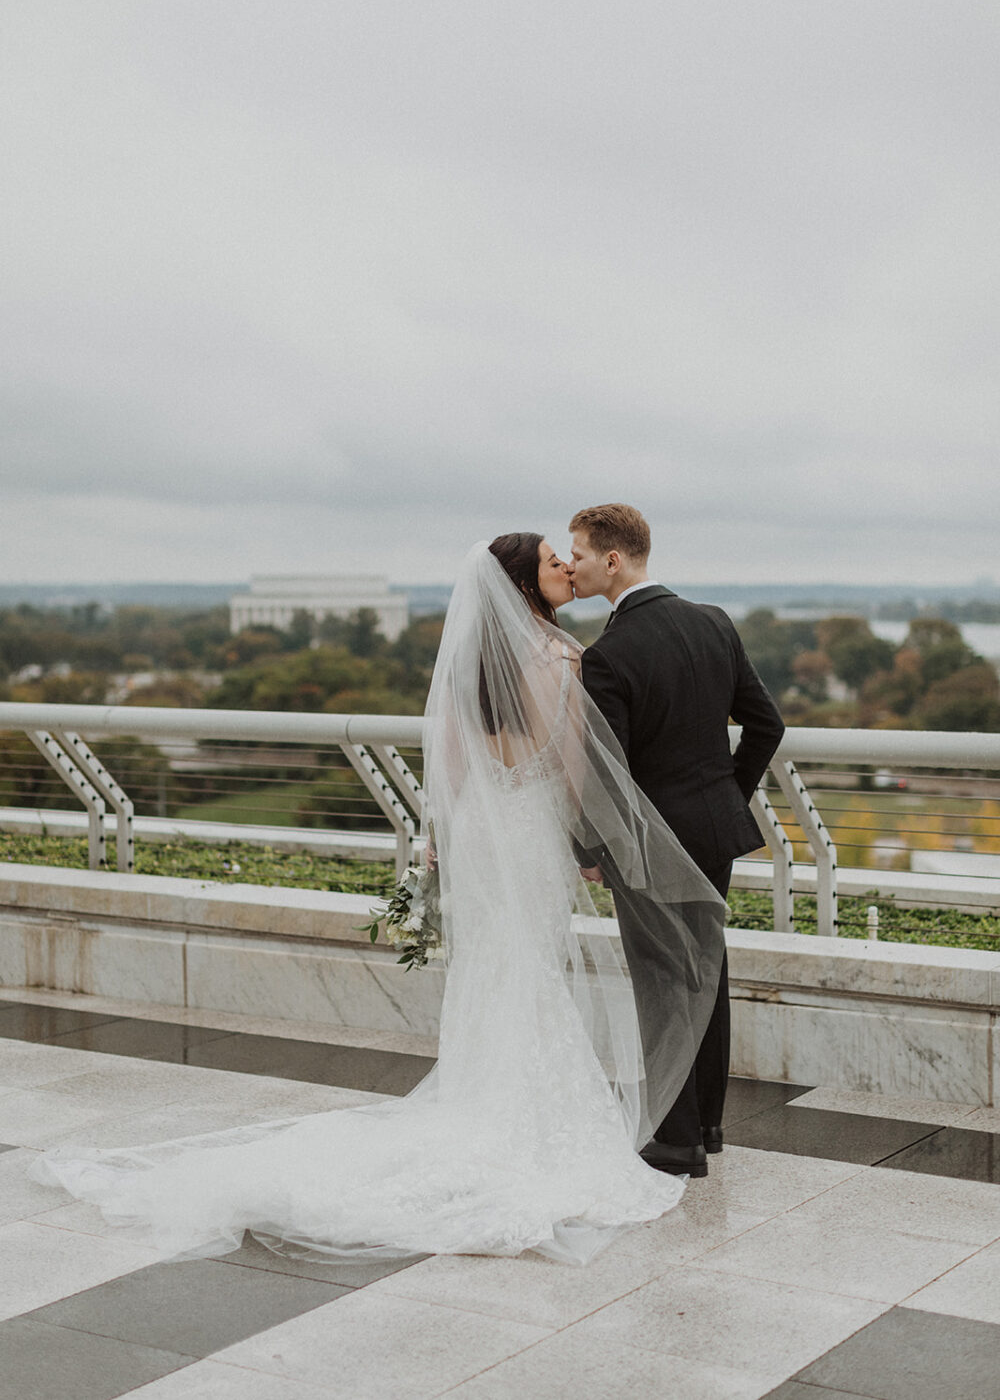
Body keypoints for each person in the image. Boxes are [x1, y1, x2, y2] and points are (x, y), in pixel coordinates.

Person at [31, 537, 726, 1267]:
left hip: (487, 846)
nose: (565, 567)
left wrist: (439, 845)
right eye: (553, 560)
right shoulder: (563, 660)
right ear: (525, 582)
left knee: (496, 966)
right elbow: (582, 768)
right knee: (534, 967)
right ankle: (518, 1120)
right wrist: (596, 845)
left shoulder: (471, 665)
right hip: (536, 838)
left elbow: (453, 770)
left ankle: (484, 1105)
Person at [568, 503, 785, 1179]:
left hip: (649, 844)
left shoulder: (608, 655)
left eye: (576, 553)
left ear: (612, 559)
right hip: (712, 832)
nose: (570, 564)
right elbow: (766, 725)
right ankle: (708, 1128)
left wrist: (591, 851)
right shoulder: (713, 623)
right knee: (704, 974)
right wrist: (724, 796)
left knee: (664, 986)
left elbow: (608, 774)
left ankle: (674, 1141)